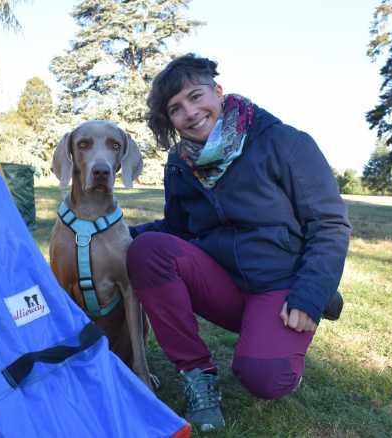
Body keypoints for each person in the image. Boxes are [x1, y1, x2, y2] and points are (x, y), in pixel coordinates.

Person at [126, 53, 351, 432]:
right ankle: (198, 376)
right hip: (222, 283)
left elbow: (329, 224)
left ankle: (289, 333)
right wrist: (119, 232)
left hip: (279, 284)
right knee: (148, 251)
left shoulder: (283, 141)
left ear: (218, 91)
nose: (190, 112)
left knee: (265, 378)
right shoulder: (180, 164)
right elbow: (176, 230)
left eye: (196, 97)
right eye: (176, 109)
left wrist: (310, 294)